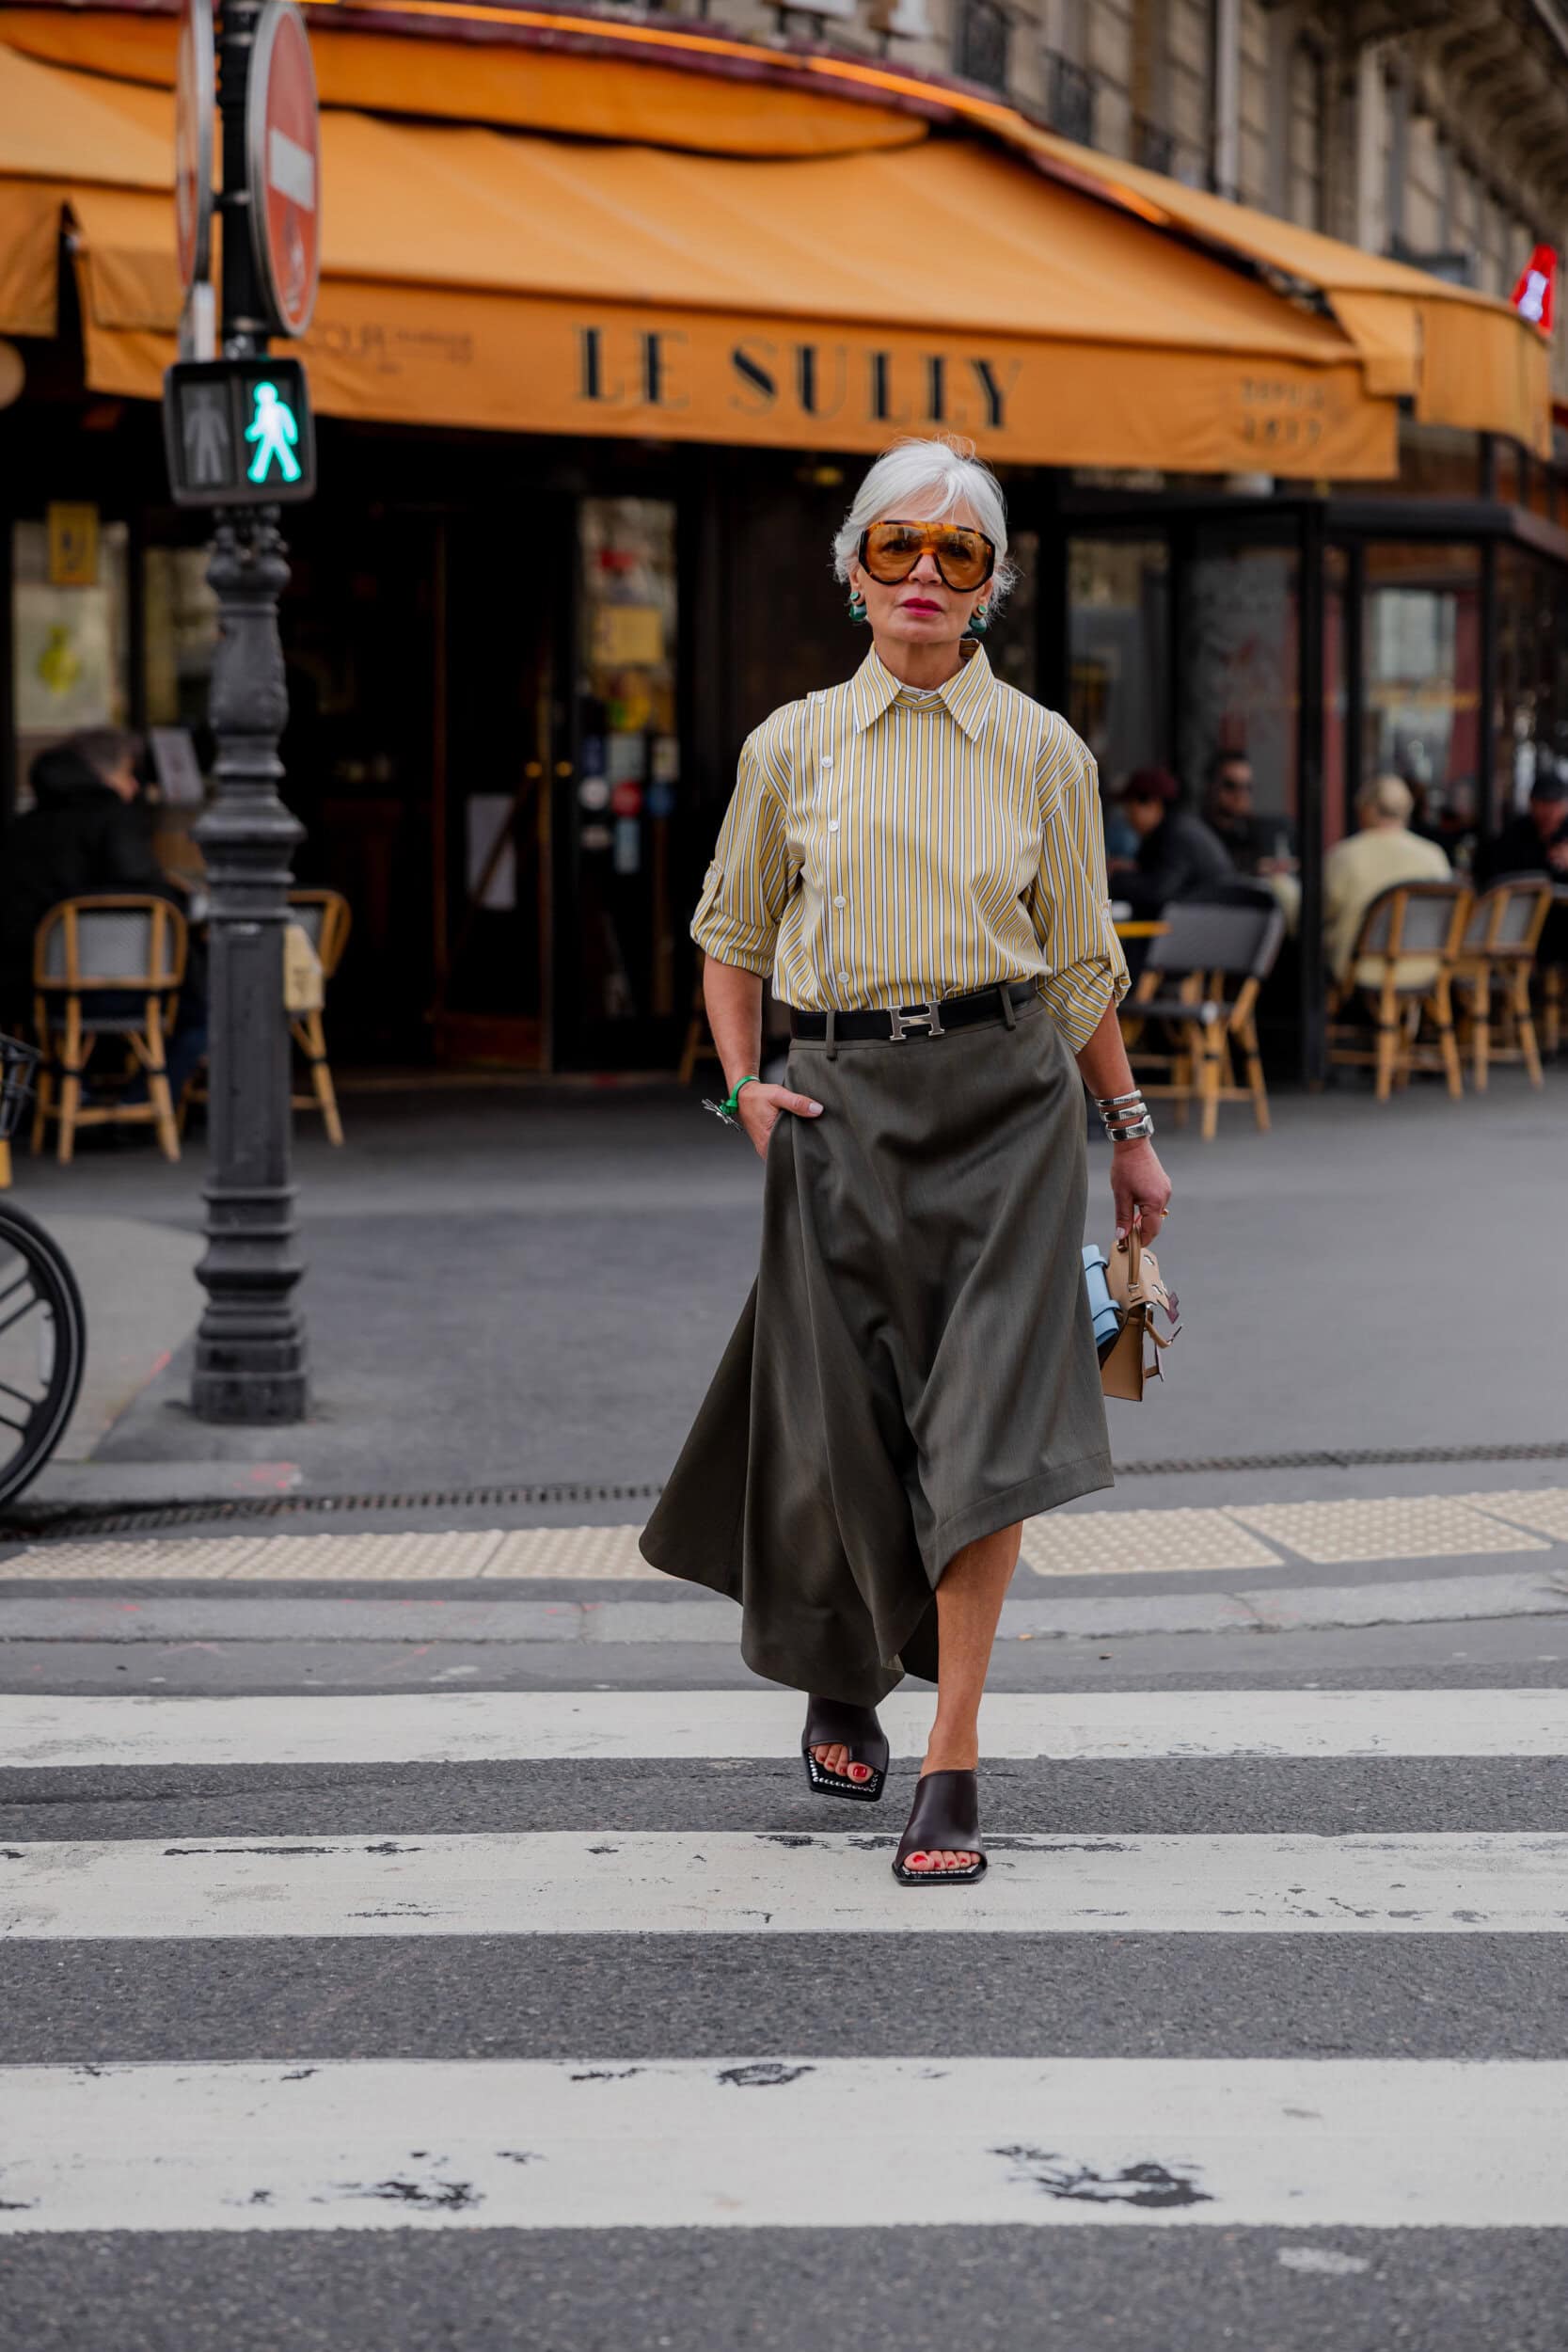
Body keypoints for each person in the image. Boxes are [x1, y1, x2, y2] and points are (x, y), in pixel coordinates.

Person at [639, 435, 1171, 1887]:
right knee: (847, 1421)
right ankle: (838, 1667)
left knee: (986, 1433)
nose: (924, 574)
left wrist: (1126, 1137)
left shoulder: (1045, 752)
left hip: (1005, 1110)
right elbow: (728, 939)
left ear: (992, 585)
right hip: (836, 1108)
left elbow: (1077, 969)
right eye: (896, 548)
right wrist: (747, 1087)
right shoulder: (791, 743)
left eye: (956, 553)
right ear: (852, 574)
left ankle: (951, 1758)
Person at [0, 727, 207, 1103]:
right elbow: (150, 897)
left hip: (28, 991)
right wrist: (180, 896)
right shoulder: (113, 821)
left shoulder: (23, 826)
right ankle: (142, 1105)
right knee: (206, 1007)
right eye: (128, 774)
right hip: (116, 989)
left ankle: (75, 1093)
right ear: (106, 774)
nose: (133, 786)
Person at [1323, 773, 1450, 990]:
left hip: (1361, 970)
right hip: (1427, 967)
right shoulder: (1434, 855)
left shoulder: (1345, 855)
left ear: (1368, 809)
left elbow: (1322, 912)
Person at [1110, 766, 1233, 915]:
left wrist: (1113, 878)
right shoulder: (1170, 828)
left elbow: (1157, 892)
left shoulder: (1176, 835)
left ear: (1153, 805)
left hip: (1209, 924)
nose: (1128, 817)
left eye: (1130, 809)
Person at [1203, 750, 1296, 876]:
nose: (1241, 795)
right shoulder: (1200, 835)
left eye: (1247, 787)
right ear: (1210, 786)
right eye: (1230, 785)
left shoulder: (1253, 833)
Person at [1476, 771, 1568, 886]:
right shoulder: (1516, 833)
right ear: (1532, 803)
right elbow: (1493, 874)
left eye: (1555, 805)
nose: (1550, 812)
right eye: (1544, 804)